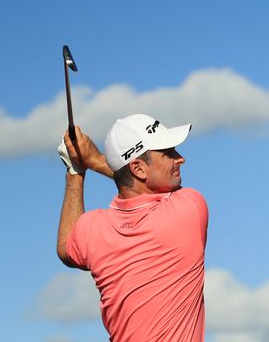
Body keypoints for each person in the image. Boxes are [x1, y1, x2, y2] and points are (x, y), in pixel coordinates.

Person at [56, 114, 208, 342]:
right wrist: (95, 159)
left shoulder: (93, 229)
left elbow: (66, 247)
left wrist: (75, 171)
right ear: (138, 168)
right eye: (168, 153)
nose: (180, 159)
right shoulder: (188, 208)